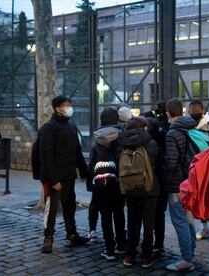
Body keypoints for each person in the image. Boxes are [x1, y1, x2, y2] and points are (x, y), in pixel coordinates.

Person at [39, 96, 89, 254]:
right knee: (52, 209)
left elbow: (77, 150)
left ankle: (72, 235)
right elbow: (45, 156)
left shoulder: (71, 126)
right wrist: (53, 180)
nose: (70, 108)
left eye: (70, 105)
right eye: (67, 105)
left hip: (69, 175)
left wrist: (83, 170)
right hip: (54, 178)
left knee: (69, 206)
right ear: (57, 108)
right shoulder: (49, 127)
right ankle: (48, 239)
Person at [121, 117, 161, 268]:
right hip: (150, 188)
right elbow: (159, 164)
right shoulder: (152, 143)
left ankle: (129, 255)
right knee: (148, 224)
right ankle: (146, 256)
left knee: (132, 223)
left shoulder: (123, 143)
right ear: (143, 127)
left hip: (131, 188)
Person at [86, 108, 126, 260]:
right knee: (119, 212)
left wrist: (91, 184)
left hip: (100, 181)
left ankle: (109, 249)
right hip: (118, 179)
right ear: (116, 119)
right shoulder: (122, 134)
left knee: (105, 215)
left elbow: (91, 163)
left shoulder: (96, 136)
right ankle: (121, 244)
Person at [163, 98, 197, 272]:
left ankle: (186, 258)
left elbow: (171, 162)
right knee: (188, 219)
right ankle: (191, 253)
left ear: (168, 113)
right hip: (191, 180)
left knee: (180, 221)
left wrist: (166, 181)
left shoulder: (173, 133)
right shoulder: (191, 127)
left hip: (177, 183)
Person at [188, 100, 209, 246]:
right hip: (196, 166)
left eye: (195, 109)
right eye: (191, 109)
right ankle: (204, 228)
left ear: (202, 110)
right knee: (200, 199)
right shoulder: (189, 124)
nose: (192, 111)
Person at [145, 117, 167, 255]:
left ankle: (150, 243)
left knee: (149, 216)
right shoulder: (164, 140)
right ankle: (159, 243)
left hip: (150, 184)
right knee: (160, 215)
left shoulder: (147, 144)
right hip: (162, 184)